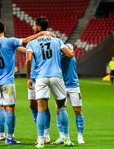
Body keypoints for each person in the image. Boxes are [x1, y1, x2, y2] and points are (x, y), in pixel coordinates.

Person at [0, 20, 55, 146]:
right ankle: (9, 138)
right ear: (4, 29)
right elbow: (26, 40)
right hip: (8, 82)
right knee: (10, 108)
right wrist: (40, 34)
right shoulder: (10, 41)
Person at [25, 16, 74, 148]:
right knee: (61, 107)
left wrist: (29, 77)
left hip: (41, 78)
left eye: (34, 25)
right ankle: (67, 139)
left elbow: (28, 60)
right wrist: (71, 51)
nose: (33, 27)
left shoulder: (32, 43)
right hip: (56, 76)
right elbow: (69, 55)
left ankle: (41, 140)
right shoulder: (57, 41)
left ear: (39, 28)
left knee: (41, 108)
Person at [52, 44, 85, 145]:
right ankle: (62, 136)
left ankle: (80, 136)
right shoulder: (56, 56)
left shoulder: (68, 47)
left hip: (73, 85)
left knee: (77, 110)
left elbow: (70, 51)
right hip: (60, 85)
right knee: (59, 110)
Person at [29, 57, 51, 145]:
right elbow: (27, 52)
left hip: (42, 77)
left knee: (43, 105)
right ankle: (40, 126)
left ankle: (45, 134)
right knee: (32, 105)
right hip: (33, 78)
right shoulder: (32, 45)